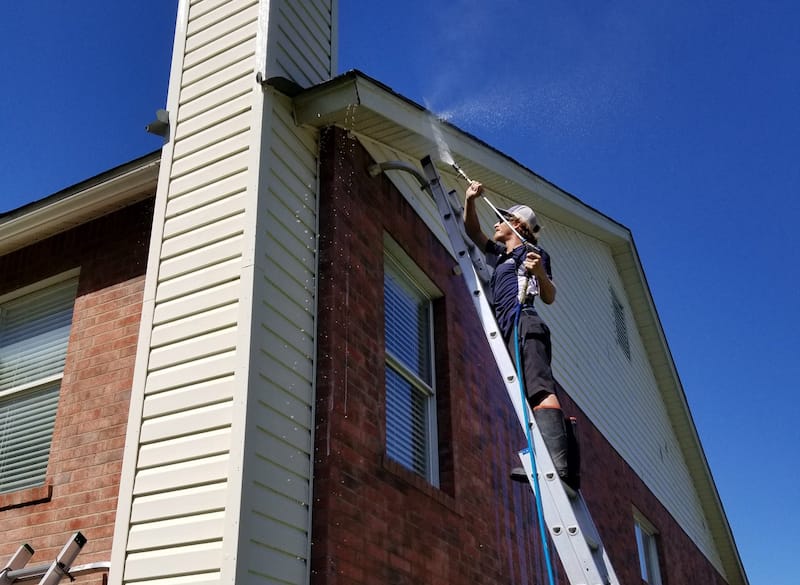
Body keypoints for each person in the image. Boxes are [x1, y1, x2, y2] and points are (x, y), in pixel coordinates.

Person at [463, 180, 578, 491]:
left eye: (501, 220)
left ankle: (558, 467)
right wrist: (470, 200)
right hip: (512, 328)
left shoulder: (533, 254)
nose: (495, 224)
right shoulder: (502, 255)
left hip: (525, 323)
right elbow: (473, 233)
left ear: (516, 225)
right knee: (530, 394)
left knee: (539, 391)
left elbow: (550, 296)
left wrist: (538, 271)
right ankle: (562, 464)